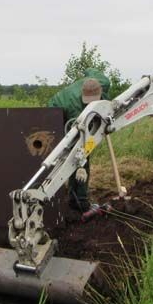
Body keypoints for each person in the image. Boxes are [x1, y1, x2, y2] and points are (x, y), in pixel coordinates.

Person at [48, 68, 110, 212]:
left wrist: (85, 71)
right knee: (78, 154)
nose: (88, 104)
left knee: (83, 152)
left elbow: (90, 70)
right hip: (56, 111)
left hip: (74, 109)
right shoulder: (75, 108)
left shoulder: (103, 81)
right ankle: (79, 200)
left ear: (100, 91)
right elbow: (81, 140)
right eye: (86, 102)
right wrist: (82, 165)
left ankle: (75, 196)